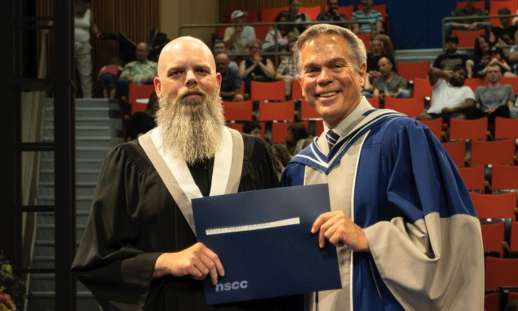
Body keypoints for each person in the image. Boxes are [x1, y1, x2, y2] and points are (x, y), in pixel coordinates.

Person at [72, 36, 294, 310]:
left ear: (218, 82)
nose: (191, 80)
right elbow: (96, 262)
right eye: (177, 73)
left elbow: (277, 248)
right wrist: (164, 262)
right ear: (158, 87)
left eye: (201, 71)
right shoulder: (129, 161)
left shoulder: (254, 154)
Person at [281, 24, 484, 310]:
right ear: (301, 83)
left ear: (362, 72)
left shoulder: (402, 137)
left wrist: (368, 237)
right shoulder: (297, 168)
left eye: (337, 65)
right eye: (312, 70)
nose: (324, 79)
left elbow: (451, 244)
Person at [74, 0, 101, 98]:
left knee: (86, 75)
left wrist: (97, 33)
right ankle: (69, 98)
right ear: (77, 3)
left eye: (88, 4)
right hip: (69, 49)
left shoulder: (89, 12)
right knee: (69, 76)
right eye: (84, 3)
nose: (86, 6)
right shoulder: (68, 11)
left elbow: (93, 25)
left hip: (84, 48)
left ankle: (87, 98)